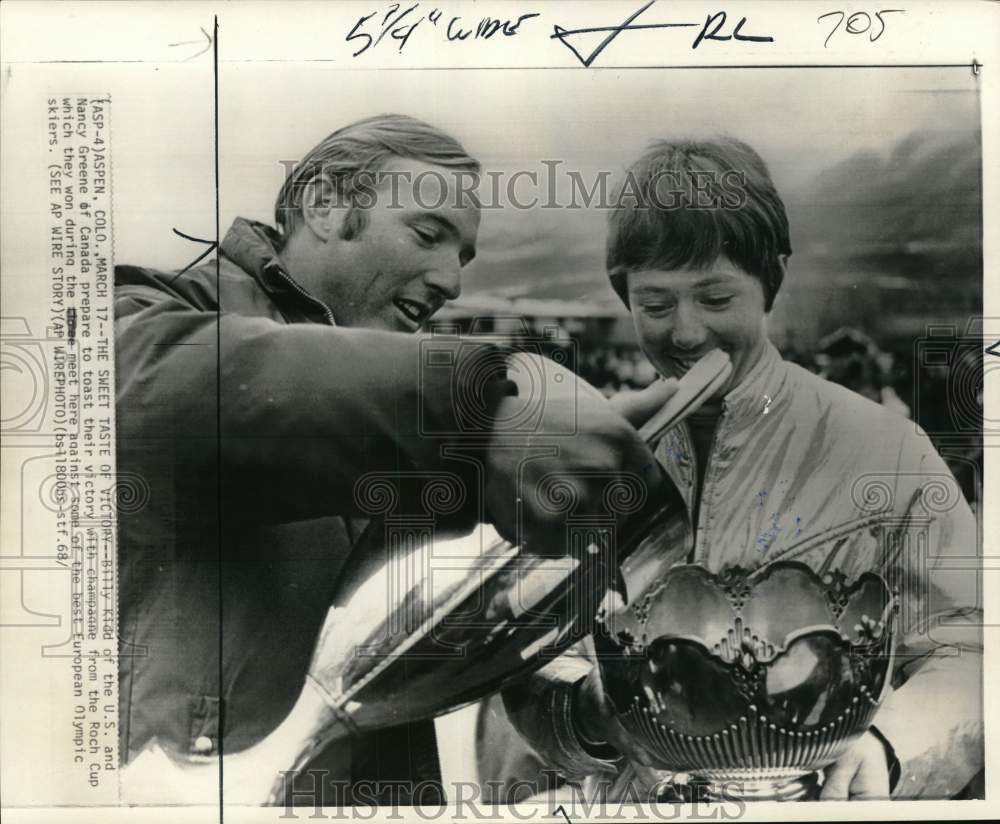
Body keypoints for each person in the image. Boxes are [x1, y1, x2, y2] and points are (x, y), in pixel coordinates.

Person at [114, 114, 670, 806]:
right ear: (324, 204)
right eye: (427, 233)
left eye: (462, 257)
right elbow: (148, 394)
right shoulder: (146, 312)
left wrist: (585, 707)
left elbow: (430, 641)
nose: (449, 281)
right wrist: (468, 414)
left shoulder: (390, 399)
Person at [495, 137, 983, 801]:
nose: (687, 333)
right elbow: (527, 663)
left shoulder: (887, 451)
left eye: (716, 298)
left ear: (770, 281)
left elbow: (972, 652)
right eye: (656, 304)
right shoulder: (593, 463)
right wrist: (585, 716)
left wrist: (891, 747)